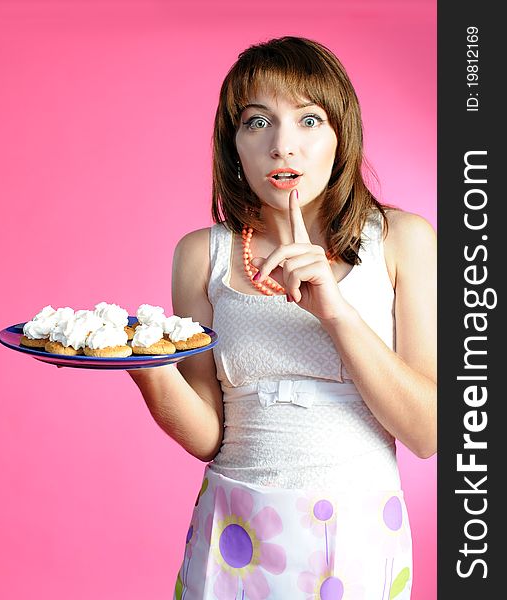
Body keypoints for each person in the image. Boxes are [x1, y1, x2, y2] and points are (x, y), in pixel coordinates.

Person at [128, 36, 436, 600]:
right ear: (234, 146)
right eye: (257, 122)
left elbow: (427, 432)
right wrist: (145, 366)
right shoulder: (202, 254)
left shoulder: (402, 241)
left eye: (309, 120)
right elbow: (207, 434)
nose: (282, 146)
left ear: (342, 137)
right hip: (234, 534)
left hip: (358, 533)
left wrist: (336, 313)